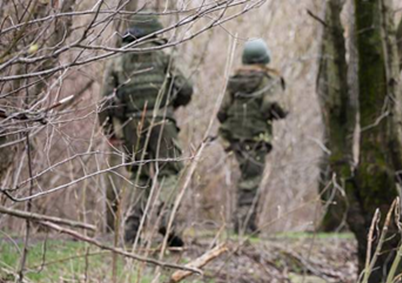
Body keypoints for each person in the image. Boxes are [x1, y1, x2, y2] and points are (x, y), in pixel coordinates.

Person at [99, 13, 194, 246]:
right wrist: (172, 105)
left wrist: (110, 130)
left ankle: (132, 229)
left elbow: (105, 101)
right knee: (169, 171)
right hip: (162, 121)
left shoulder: (119, 60)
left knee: (138, 174)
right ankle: (166, 219)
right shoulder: (166, 53)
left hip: (131, 124)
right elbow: (186, 87)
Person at [217, 38, 288, 234]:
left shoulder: (234, 81)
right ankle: (244, 227)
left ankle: (246, 224)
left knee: (245, 178)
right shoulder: (269, 81)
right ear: (265, 58)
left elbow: (221, 111)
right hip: (257, 137)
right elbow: (278, 108)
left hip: (233, 138)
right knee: (252, 181)